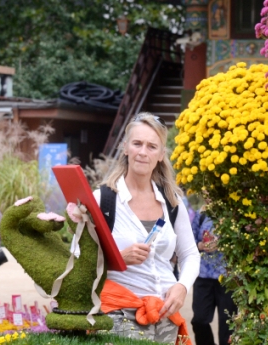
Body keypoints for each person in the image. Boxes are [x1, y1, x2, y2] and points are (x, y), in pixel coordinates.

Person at [97, 113, 200, 344]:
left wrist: (182, 287)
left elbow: (190, 255)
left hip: (164, 314)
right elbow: (78, 257)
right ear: (125, 148)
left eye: (152, 146)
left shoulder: (172, 203)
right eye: (137, 144)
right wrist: (118, 258)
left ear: (161, 154)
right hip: (118, 313)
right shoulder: (103, 200)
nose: (143, 152)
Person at [191, 209, 237, 345]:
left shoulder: (232, 212)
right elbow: (189, 241)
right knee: (199, 320)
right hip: (203, 276)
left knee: (228, 325)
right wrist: (201, 245)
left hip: (228, 278)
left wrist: (222, 243)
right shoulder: (201, 215)